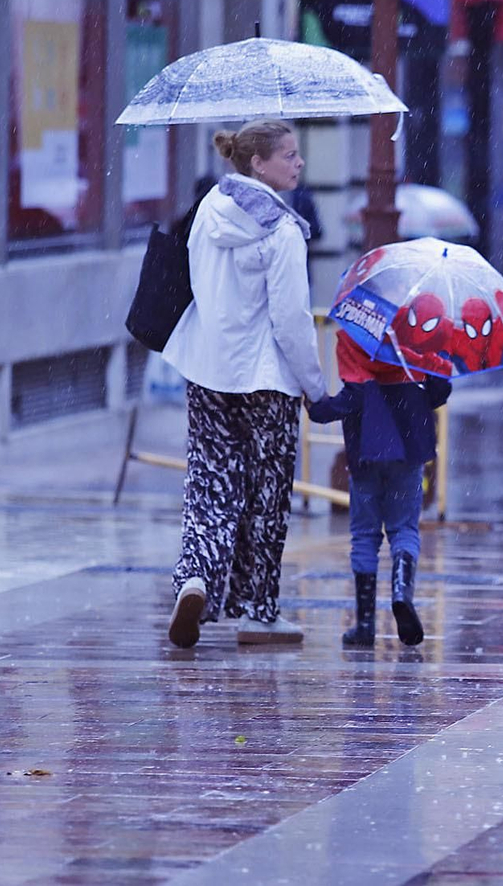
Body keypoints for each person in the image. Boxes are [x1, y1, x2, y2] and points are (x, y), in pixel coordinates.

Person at [162, 121, 326, 648]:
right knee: (266, 494)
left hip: (208, 367)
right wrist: (316, 387)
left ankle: (194, 578)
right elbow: (292, 321)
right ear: (258, 163)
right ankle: (258, 609)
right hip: (266, 380)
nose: (299, 164)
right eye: (290, 155)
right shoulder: (282, 230)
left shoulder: (208, 208)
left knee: (209, 483)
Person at [308, 334, 452, 648]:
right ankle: (401, 593)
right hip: (409, 440)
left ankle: (364, 625)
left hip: (365, 444)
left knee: (364, 534)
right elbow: (440, 391)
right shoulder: (421, 326)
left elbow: (355, 395)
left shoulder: (352, 333)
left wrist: (320, 409)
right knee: (404, 528)